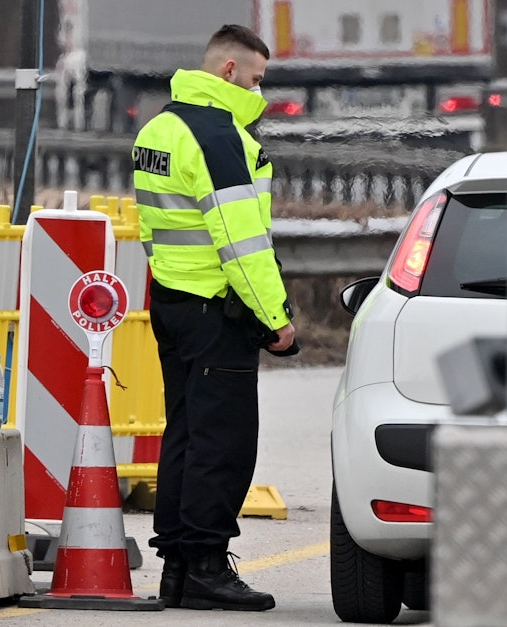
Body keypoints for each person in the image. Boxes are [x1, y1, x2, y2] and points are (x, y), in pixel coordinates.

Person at [132, 24, 295, 612]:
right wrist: (275, 318)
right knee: (222, 442)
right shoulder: (218, 135)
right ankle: (204, 565)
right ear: (229, 72)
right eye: (256, 79)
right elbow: (241, 242)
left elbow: (161, 227)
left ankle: (178, 566)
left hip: (171, 301)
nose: (260, 92)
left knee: (184, 434)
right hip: (214, 309)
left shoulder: (160, 127)